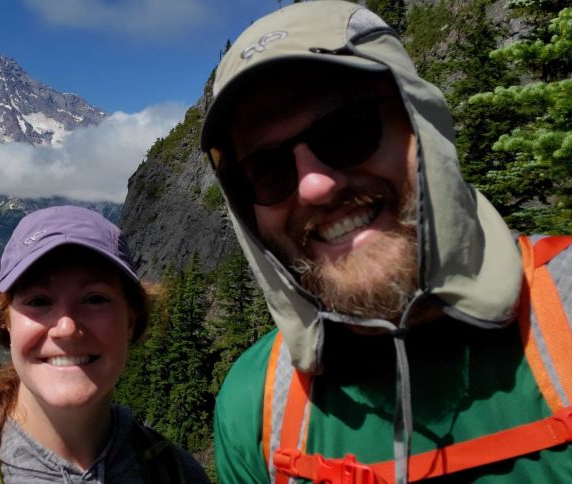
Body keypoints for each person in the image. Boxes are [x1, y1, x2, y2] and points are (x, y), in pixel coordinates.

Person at [199, 2, 572, 483]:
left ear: (422, 124)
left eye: (347, 130)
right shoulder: (256, 408)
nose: (315, 185)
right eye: (267, 170)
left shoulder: (563, 308)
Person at [0, 205, 210, 483]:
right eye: (39, 301)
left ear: (131, 319)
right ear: (5, 323)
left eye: (95, 299)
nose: (66, 327)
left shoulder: (181, 475)